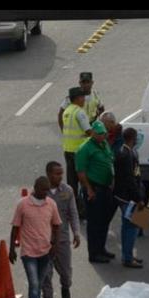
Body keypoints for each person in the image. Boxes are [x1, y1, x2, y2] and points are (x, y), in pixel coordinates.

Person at [9, 176, 62, 298]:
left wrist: (55, 244)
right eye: (43, 190)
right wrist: (11, 249)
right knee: (33, 286)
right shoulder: (23, 204)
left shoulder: (51, 204)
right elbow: (15, 228)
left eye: (47, 190)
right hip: (29, 253)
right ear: (35, 188)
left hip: (45, 252)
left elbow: (57, 225)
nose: (46, 193)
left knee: (38, 286)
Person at [41, 161, 80, 298]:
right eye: (57, 174)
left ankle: (65, 288)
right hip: (44, 242)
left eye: (61, 173)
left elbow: (73, 213)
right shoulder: (40, 191)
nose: (60, 176)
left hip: (62, 240)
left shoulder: (67, 190)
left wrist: (76, 232)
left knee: (66, 273)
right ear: (49, 174)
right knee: (46, 275)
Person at [76, 120, 116, 263]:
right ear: (92, 133)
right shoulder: (85, 148)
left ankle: (101, 248)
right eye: (99, 134)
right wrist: (89, 189)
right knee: (94, 222)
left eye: (103, 134)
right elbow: (81, 172)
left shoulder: (104, 144)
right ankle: (94, 253)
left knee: (104, 220)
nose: (102, 136)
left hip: (105, 188)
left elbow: (109, 161)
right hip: (94, 188)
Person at [113, 127, 145, 268]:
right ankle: (128, 258)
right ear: (133, 138)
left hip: (124, 195)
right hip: (128, 198)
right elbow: (130, 180)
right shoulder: (127, 155)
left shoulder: (126, 151)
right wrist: (139, 199)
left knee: (128, 226)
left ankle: (129, 255)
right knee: (131, 227)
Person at [59, 86, 93, 220]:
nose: (84, 99)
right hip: (79, 152)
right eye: (82, 97)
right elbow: (88, 131)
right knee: (85, 182)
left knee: (72, 183)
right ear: (78, 98)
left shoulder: (67, 111)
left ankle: (72, 211)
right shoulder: (79, 112)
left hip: (68, 150)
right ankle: (84, 211)